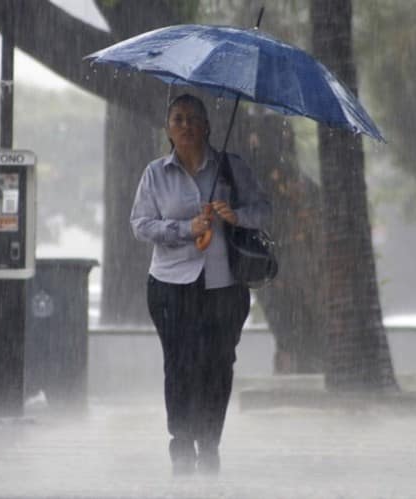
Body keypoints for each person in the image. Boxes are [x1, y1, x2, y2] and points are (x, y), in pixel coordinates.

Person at [130, 94, 271, 475]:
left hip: (224, 287)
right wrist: (184, 229)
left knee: (218, 364)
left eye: (194, 119)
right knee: (180, 364)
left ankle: (209, 443)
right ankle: (181, 441)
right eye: (178, 119)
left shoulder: (231, 168)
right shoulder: (155, 174)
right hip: (170, 285)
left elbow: (263, 210)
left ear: (208, 126)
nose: (186, 125)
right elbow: (141, 224)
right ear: (168, 129)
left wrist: (235, 215)